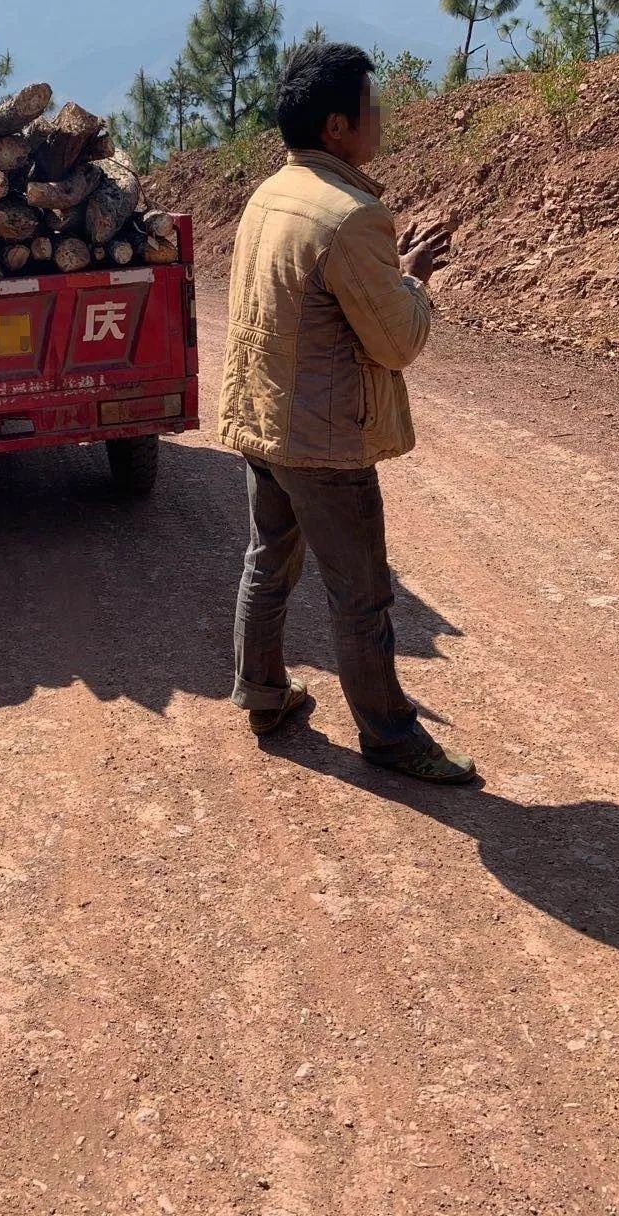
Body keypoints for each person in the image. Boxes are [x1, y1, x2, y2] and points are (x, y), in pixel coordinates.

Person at [218, 41, 476, 783]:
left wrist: (392, 277)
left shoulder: (270, 194)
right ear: (337, 127)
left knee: (268, 559)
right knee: (361, 596)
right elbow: (395, 342)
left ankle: (263, 694)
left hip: (263, 420)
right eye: (371, 106)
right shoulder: (353, 216)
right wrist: (416, 281)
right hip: (325, 442)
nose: (381, 116)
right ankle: (390, 737)